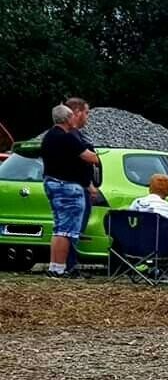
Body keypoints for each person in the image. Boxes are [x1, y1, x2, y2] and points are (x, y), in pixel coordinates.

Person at [39, 103, 99, 277]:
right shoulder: (67, 137)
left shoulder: (49, 136)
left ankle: (54, 267)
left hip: (51, 182)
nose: (76, 118)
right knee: (66, 230)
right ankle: (60, 268)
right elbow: (90, 157)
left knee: (59, 228)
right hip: (67, 187)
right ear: (67, 119)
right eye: (73, 115)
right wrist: (97, 155)